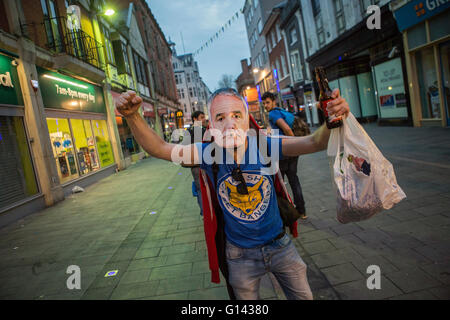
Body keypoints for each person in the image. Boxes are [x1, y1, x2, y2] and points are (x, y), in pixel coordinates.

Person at [115, 88, 349, 300]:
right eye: (220, 117)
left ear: (247, 119)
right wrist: (133, 116)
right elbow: (161, 149)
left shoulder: (263, 144)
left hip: (280, 246)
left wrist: (332, 120)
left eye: (237, 115)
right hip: (239, 256)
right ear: (211, 124)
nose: (230, 124)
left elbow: (313, 142)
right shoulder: (208, 153)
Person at [262, 92, 308, 219]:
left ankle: (284, 213)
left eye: (268, 102)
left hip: (284, 151)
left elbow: (287, 129)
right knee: (294, 180)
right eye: (264, 103)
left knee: (279, 183)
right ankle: (301, 211)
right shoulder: (281, 111)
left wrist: (295, 144)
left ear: (273, 101)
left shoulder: (273, 113)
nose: (266, 105)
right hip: (292, 152)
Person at [187, 111, 207, 217]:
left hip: (194, 165)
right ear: (195, 119)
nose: (204, 119)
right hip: (202, 164)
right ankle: (207, 211)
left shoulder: (189, 131)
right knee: (205, 187)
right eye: (201, 117)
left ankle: (204, 212)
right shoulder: (203, 131)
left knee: (200, 189)